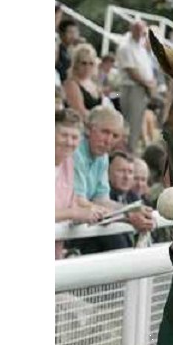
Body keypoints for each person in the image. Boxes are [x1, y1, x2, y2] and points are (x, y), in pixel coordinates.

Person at [70, 106, 154, 255]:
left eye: (115, 136)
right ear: (89, 129)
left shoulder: (102, 157)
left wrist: (131, 210)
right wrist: (127, 215)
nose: (108, 140)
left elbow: (102, 200)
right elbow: (80, 202)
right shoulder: (75, 152)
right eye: (105, 132)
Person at [55, 109, 105, 258]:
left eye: (74, 137)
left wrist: (96, 209)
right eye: (64, 135)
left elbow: (72, 200)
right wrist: (75, 213)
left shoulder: (69, 163)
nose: (69, 142)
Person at [116, 20, 158, 153]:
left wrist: (151, 84)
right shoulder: (125, 47)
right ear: (132, 30)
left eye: (143, 31)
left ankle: (132, 150)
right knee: (131, 123)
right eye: (139, 30)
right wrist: (148, 84)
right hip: (132, 88)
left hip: (142, 89)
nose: (141, 34)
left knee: (138, 122)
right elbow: (131, 71)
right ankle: (127, 152)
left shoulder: (140, 46)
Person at [63, 43, 103, 121]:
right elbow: (80, 112)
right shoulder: (71, 84)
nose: (87, 67)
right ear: (76, 64)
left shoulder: (94, 83)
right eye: (83, 63)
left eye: (91, 63)